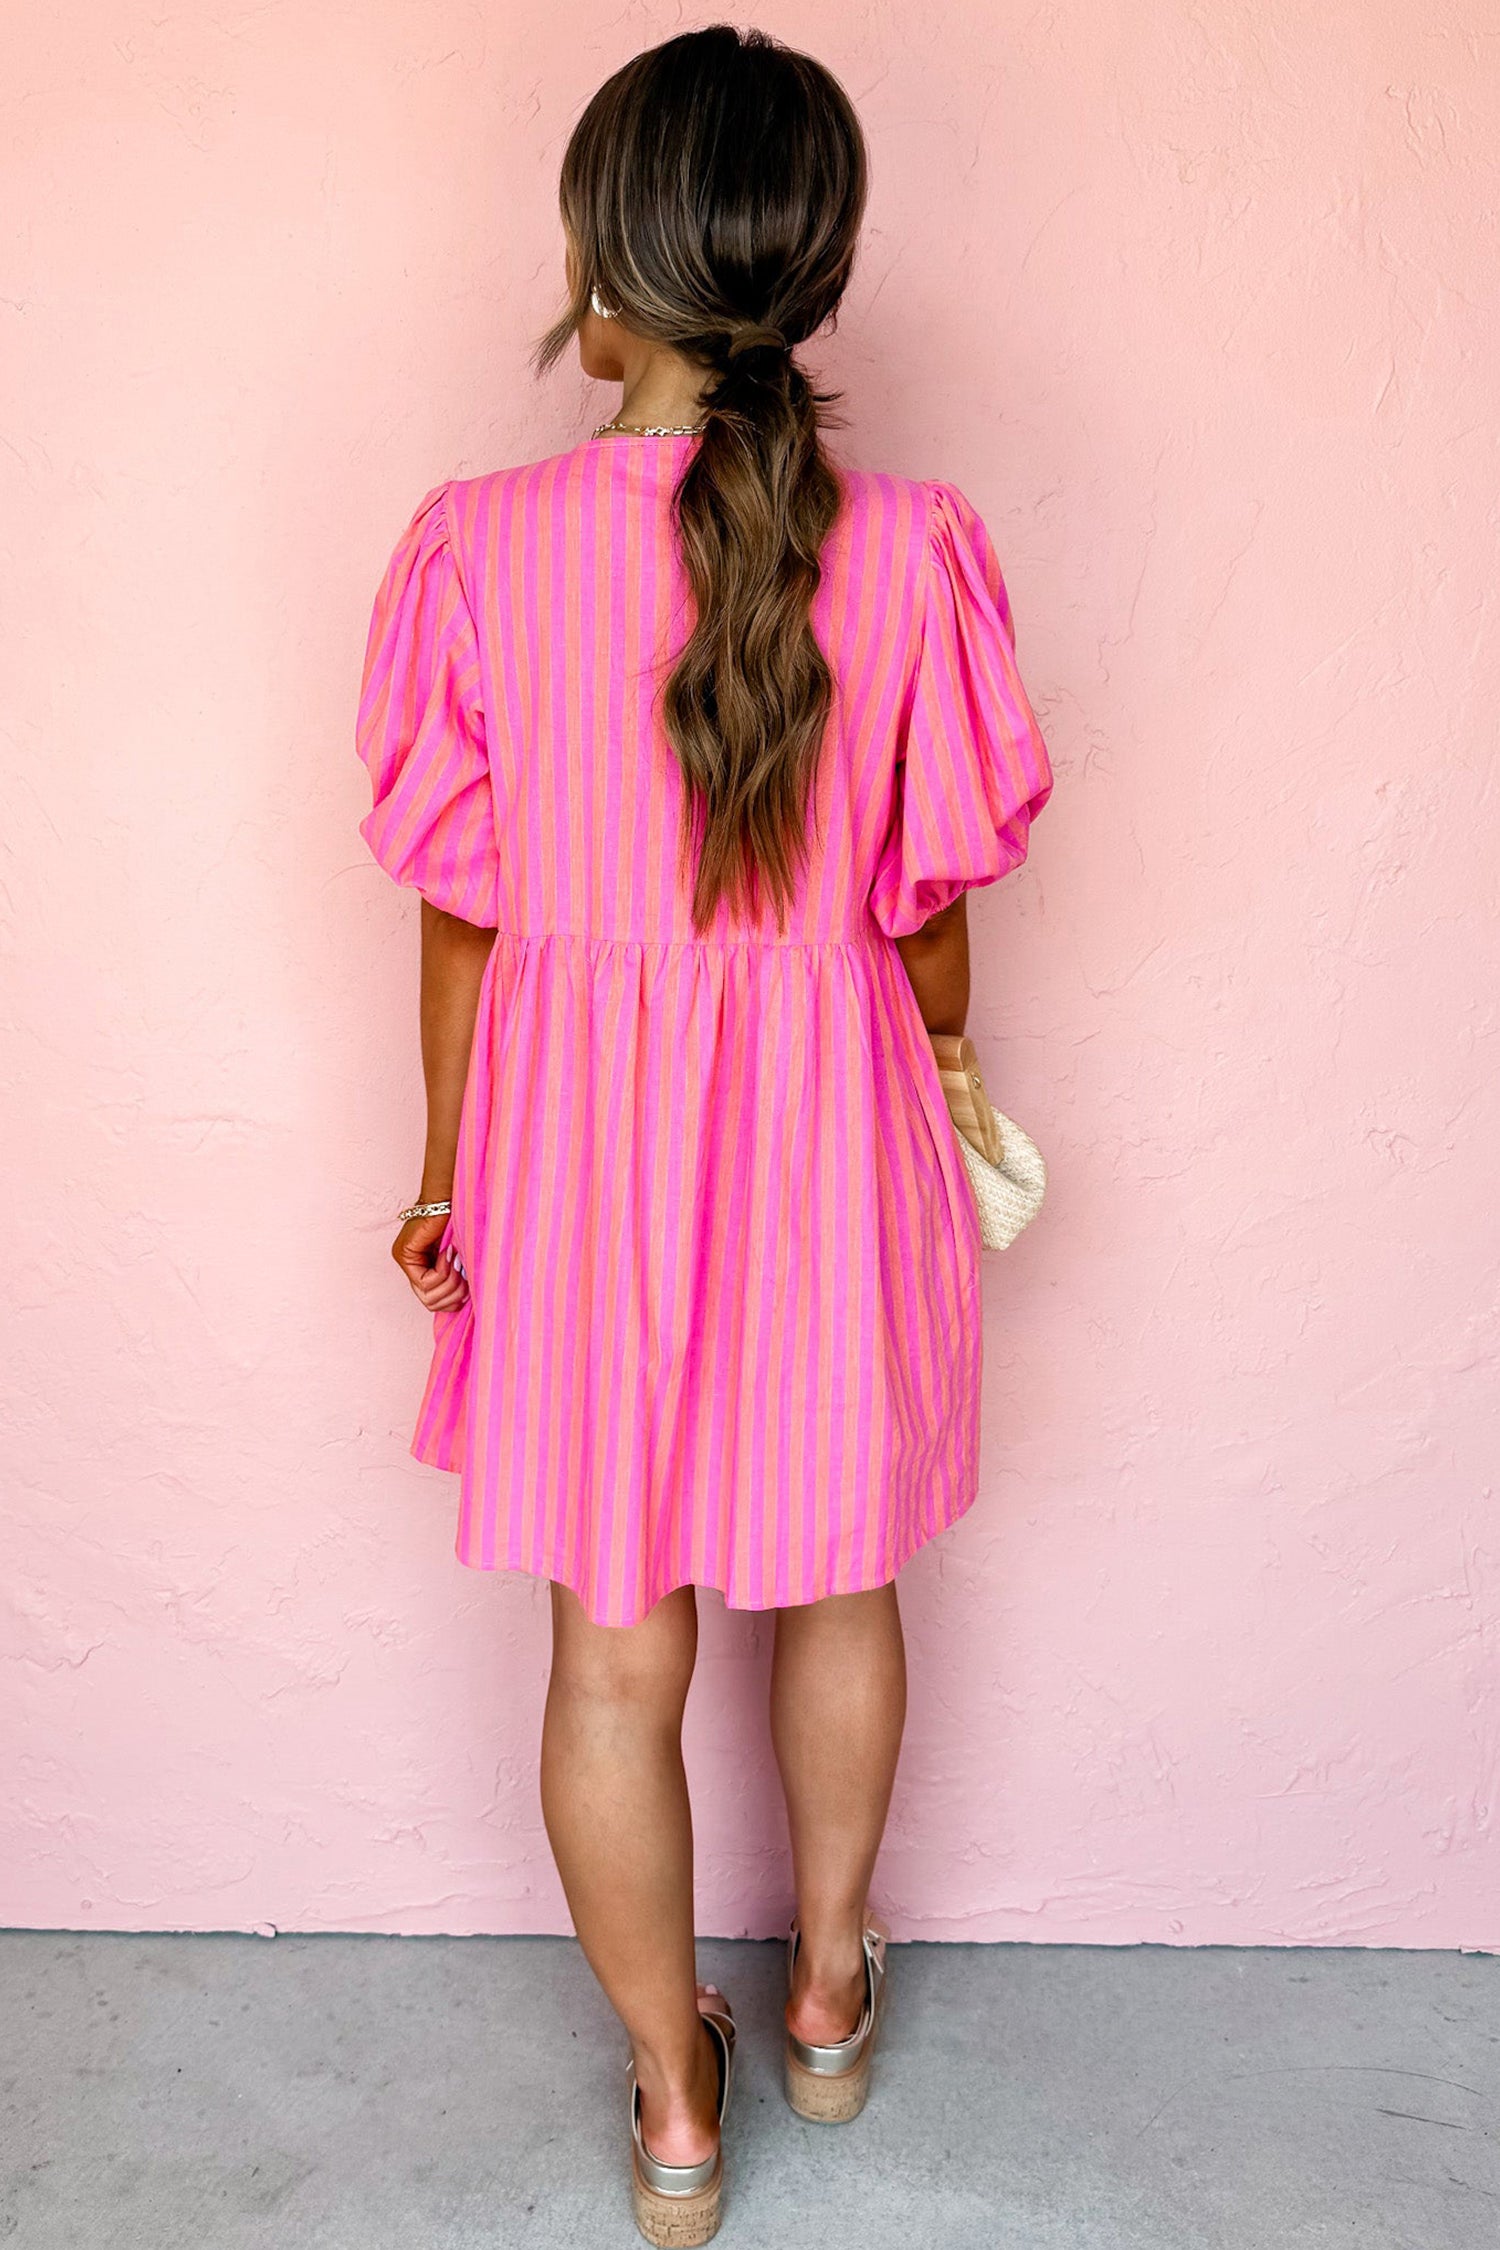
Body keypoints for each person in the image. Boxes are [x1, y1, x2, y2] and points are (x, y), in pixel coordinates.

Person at [354, 24, 1053, 2245]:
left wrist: (447, 1173)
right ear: (810, 269)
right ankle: (830, 1997)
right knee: (842, 1582)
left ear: (605, 256)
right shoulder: (919, 546)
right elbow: (930, 913)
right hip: (833, 1129)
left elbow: (460, 917)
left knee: (610, 1647)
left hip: (575, 1151)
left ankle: (677, 2109)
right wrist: (949, 1074)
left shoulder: (477, 546)